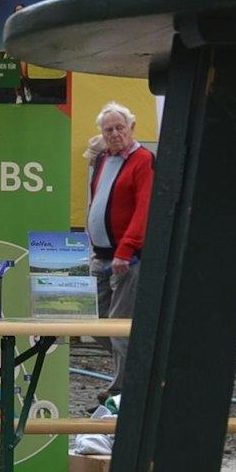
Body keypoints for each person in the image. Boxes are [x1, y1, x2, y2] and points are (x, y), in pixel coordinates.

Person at [84, 101, 153, 396]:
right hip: (101, 255)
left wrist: (127, 249)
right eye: (108, 129)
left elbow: (144, 209)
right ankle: (140, 366)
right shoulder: (103, 159)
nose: (114, 134)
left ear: (132, 128)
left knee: (119, 325)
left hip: (126, 258)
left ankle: (122, 392)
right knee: (95, 323)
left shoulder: (143, 160)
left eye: (119, 128)